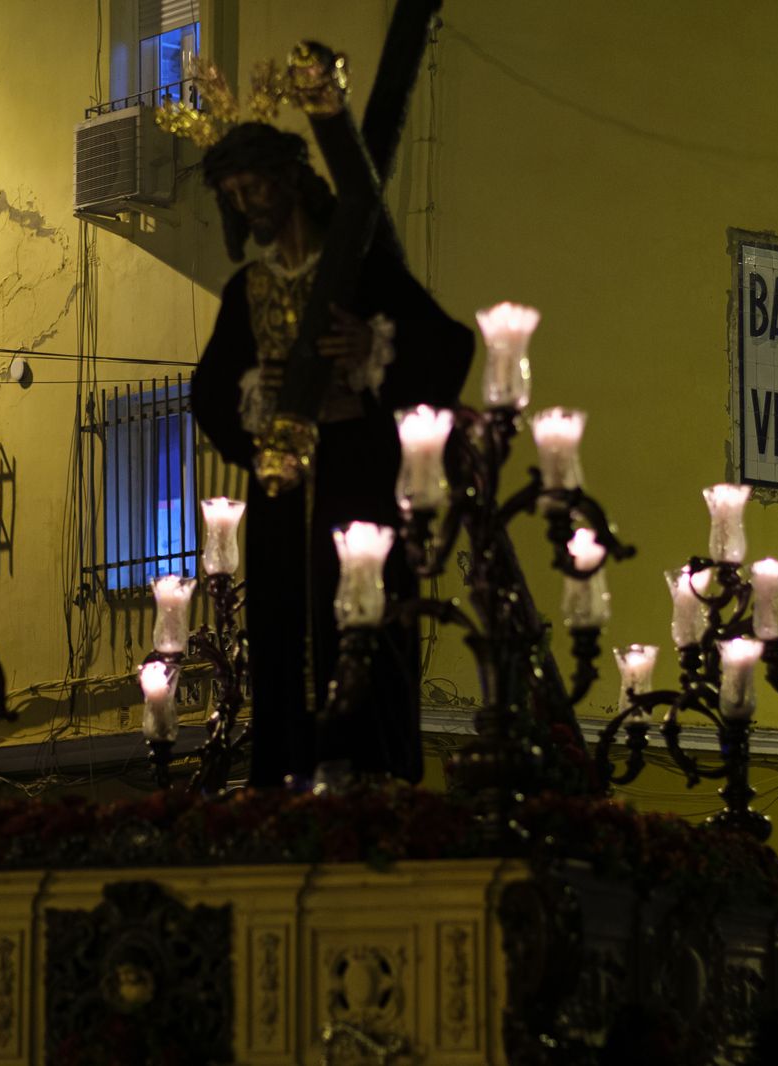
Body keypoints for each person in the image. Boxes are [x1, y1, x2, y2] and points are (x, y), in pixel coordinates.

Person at [191, 121, 473, 787]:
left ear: (289, 181)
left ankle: (371, 769)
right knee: (285, 629)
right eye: (232, 195)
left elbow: (447, 346)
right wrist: (257, 434)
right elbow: (209, 392)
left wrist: (375, 353)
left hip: (359, 480)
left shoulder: (360, 271)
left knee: (363, 626)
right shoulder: (247, 291)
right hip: (284, 494)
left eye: (253, 186)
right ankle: (288, 772)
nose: (246, 205)